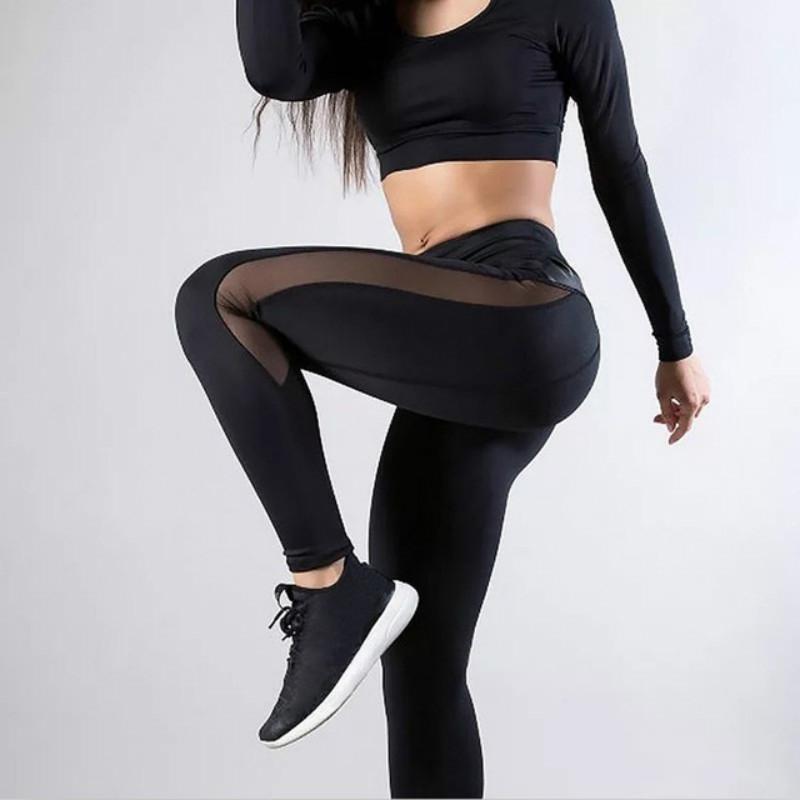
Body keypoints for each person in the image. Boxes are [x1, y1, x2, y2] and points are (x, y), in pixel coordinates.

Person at [174, 0, 711, 795]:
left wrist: (675, 344)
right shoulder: (368, 24)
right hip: (451, 349)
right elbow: (273, 68)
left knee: (219, 296)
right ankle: (343, 598)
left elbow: (620, 164)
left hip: (528, 314)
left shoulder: (562, 7)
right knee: (420, 670)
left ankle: (327, 584)